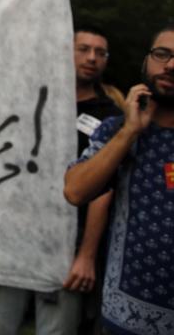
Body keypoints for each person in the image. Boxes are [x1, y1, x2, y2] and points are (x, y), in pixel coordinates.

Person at [0, 26, 123, 335]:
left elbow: (103, 189)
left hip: (66, 245)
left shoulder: (110, 118)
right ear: (65, 51)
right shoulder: (31, 99)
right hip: (13, 238)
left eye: (100, 53)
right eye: (83, 49)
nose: (92, 58)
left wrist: (86, 255)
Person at [64, 25, 174, 334]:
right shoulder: (118, 130)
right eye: (162, 54)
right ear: (146, 62)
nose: (171, 65)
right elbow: (75, 190)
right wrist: (129, 132)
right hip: (123, 317)